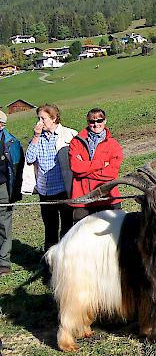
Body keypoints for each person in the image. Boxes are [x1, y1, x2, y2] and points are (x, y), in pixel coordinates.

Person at [22, 104, 78, 252]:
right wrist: (35, 137)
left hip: (63, 189)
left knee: (67, 226)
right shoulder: (37, 138)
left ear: (53, 118)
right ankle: (49, 261)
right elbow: (29, 158)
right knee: (50, 228)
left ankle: (66, 256)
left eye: (43, 118)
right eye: (38, 118)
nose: (39, 122)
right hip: (45, 191)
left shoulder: (69, 134)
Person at [68, 108, 123, 223]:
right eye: (92, 121)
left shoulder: (113, 145)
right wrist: (101, 164)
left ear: (105, 121)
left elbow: (111, 174)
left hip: (107, 199)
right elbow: (76, 168)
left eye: (99, 120)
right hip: (83, 200)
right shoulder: (76, 142)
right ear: (87, 122)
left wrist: (85, 171)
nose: (96, 124)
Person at [0, 110, 24, 276]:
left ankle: (4, 262)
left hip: (2, 187)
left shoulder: (11, 143)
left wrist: (15, 192)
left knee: (3, 224)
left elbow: (17, 168)